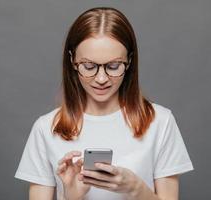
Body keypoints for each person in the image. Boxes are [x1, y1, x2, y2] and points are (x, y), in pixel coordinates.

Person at [14, 6, 194, 200]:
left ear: (130, 62)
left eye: (114, 66)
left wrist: (135, 189)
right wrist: (72, 197)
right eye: (89, 66)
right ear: (72, 61)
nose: (101, 78)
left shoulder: (160, 122)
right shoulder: (46, 128)